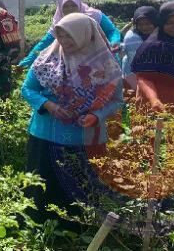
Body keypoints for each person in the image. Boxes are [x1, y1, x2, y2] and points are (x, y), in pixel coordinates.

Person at [21, 13, 123, 225]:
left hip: (84, 139)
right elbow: (28, 89)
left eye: (70, 36)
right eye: (61, 35)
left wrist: (96, 116)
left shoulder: (107, 65)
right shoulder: (47, 59)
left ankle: (75, 230)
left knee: (78, 188)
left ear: (86, 36)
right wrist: (49, 105)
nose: (65, 42)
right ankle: (36, 227)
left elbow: (116, 100)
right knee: (41, 185)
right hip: (46, 134)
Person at [19, 0, 120, 68]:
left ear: (79, 4)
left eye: (73, 5)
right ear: (60, 8)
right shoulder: (59, 23)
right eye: (66, 6)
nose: (70, 9)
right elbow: (42, 45)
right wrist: (24, 64)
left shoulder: (94, 16)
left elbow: (112, 31)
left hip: (100, 56)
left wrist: (114, 42)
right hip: (76, 62)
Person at [121, 6, 158, 90]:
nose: (144, 27)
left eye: (148, 23)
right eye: (140, 24)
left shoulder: (161, 33)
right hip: (133, 75)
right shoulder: (132, 38)